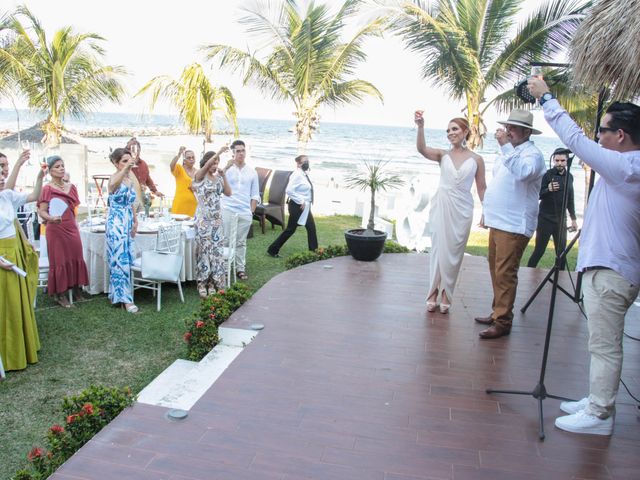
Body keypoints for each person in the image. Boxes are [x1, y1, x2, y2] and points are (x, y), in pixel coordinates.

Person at [529, 78, 640, 436]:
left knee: (605, 346)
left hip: (611, 273)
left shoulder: (626, 167)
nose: (597, 137)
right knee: (600, 343)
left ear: (620, 135)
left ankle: (599, 414)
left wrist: (545, 98)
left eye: (603, 131)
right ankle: (597, 399)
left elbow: (573, 139)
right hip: (609, 269)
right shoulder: (625, 167)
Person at [475, 110, 545, 339]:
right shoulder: (509, 153)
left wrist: (505, 147)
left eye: (513, 128)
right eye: (508, 127)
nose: (508, 131)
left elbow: (523, 174)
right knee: (495, 269)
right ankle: (498, 311)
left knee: (505, 272)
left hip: (515, 225)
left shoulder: (532, 155)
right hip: (499, 222)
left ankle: (503, 320)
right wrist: (488, 212)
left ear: (527, 132)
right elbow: (499, 184)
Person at [414, 113, 487, 313]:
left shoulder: (477, 159)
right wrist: (421, 126)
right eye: (448, 130)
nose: (450, 133)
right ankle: (432, 292)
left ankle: (447, 293)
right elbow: (422, 149)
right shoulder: (442, 155)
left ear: (465, 132)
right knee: (438, 249)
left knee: (454, 252)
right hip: (442, 205)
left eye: (454, 129)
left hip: (462, 209)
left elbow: (481, 188)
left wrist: (486, 211)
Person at [0, 149, 43, 371]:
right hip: (1, 257)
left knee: (17, 304)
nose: (1, 175)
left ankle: (20, 351)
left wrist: (39, 178)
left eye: (3, 171)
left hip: (13, 252)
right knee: (4, 306)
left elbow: (34, 196)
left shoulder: (6, 196)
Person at [37, 156, 89, 308]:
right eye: (57, 166)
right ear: (50, 171)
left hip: (71, 226)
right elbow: (42, 212)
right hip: (55, 228)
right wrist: (51, 218)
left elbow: (74, 209)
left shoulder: (71, 187)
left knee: (76, 255)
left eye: (62, 165)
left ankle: (76, 289)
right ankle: (59, 294)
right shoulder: (47, 189)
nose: (61, 168)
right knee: (59, 260)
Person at [527, 148, 578, 269]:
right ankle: (528, 271)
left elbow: (570, 199)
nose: (559, 163)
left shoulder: (570, 177)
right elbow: (537, 195)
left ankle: (560, 279)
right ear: (553, 160)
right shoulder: (547, 174)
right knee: (539, 250)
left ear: (567, 161)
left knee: (561, 253)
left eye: (562, 160)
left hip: (561, 220)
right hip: (545, 218)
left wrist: (574, 219)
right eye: (557, 160)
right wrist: (548, 189)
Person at [193, 147, 231, 298]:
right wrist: (219, 152)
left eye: (217, 162)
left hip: (216, 221)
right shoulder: (199, 176)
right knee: (203, 252)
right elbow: (204, 169)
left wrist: (224, 175)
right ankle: (202, 282)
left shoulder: (218, 179)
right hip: (203, 220)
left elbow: (228, 193)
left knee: (215, 252)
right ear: (206, 163)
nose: (215, 165)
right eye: (213, 162)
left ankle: (213, 283)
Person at [105, 148, 139, 313]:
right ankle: (125, 299)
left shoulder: (129, 178)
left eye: (129, 160)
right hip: (116, 223)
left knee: (127, 257)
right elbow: (111, 188)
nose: (128, 164)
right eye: (124, 161)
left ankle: (117, 295)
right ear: (116, 163)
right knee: (119, 259)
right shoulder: (115, 178)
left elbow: (131, 201)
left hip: (127, 221)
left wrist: (135, 220)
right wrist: (126, 168)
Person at [221, 140, 260, 280]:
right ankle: (224, 268)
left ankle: (240, 268)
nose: (241, 153)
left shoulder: (252, 172)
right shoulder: (227, 169)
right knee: (226, 239)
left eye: (243, 150)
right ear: (233, 153)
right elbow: (217, 181)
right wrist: (225, 167)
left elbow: (255, 194)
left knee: (241, 241)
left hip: (245, 211)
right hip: (228, 208)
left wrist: (251, 211)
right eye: (238, 151)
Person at [267, 155, 318, 258]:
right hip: (297, 206)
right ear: (298, 164)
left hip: (304, 207)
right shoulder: (297, 175)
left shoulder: (303, 174)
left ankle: (314, 252)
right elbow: (289, 190)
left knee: (311, 228)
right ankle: (272, 249)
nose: (307, 163)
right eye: (304, 161)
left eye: (308, 161)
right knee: (291, 229)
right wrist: (301, 201)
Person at [170, 146, 197, 216]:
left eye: (193, 157)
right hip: (180, 205)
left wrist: (195, 188)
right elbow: (171, 166)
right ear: (184, 160)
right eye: (189, 158)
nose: (191, 159)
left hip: (193, 205)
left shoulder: (198, 172)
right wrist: (179, 154)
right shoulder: (179, 168)